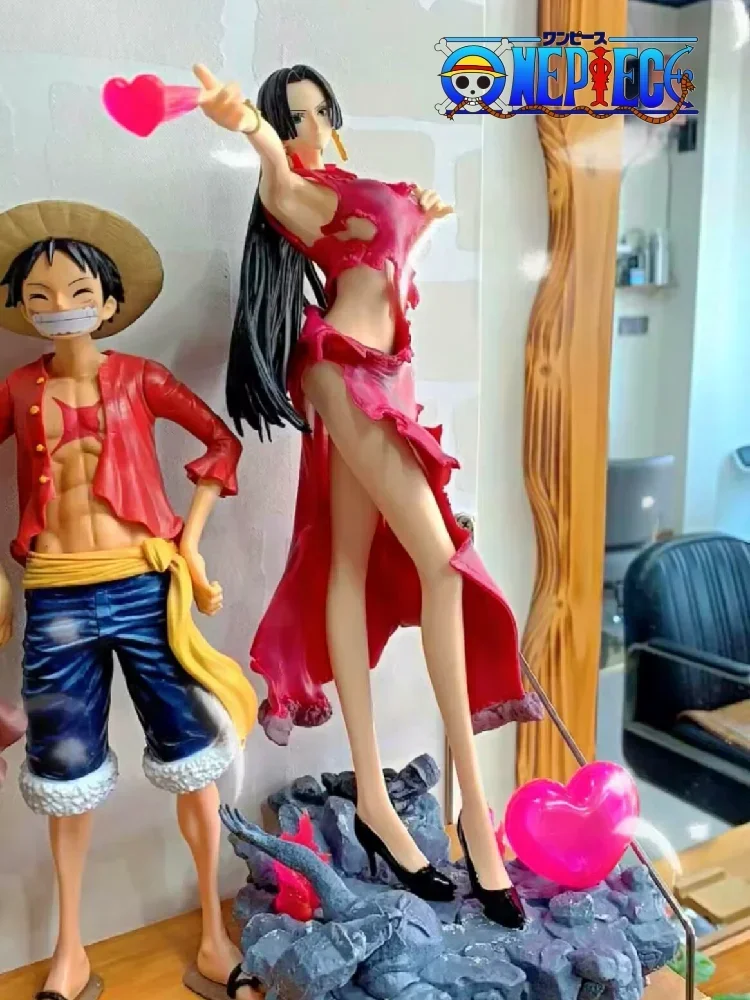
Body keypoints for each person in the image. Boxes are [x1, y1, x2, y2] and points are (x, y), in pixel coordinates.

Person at [194, 61, 544, 929]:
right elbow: (274, 168)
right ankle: (475, 815)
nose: (311, 128)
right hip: (342, 371)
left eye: (320, 110)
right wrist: (250, 125)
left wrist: (421, 223)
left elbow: (388, 277)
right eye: (295, 117)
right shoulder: (297, 191)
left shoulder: (352, 188)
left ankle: (380, 809)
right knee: (442, 561)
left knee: (348, 560)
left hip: (389, 376)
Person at [0, 200, 259, 1000]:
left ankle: (213, 936)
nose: (59, 307)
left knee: (191, 758)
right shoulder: (17, 388)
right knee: (64, 771)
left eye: (77, 291)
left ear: (110, 301)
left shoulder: (141, 377)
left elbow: (222, 440)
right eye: (39, 296)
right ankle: (70, 952)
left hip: (146, 589)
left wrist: (191, 539)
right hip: (56, 598)